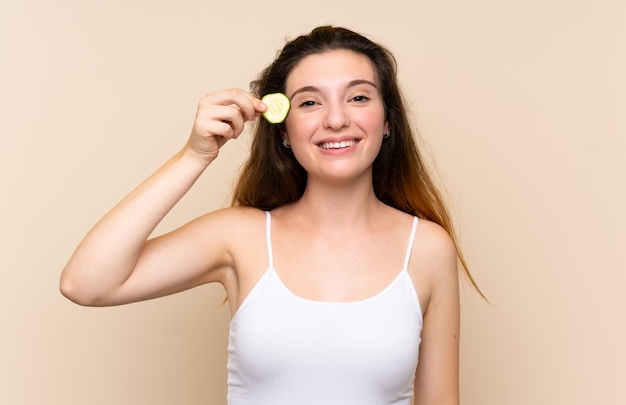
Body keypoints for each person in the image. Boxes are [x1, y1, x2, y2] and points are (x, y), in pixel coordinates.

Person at [61, 25, 481, 405]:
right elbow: (86, 283)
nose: (336, 119)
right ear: (282, 129)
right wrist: (194, 155)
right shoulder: (239, 237)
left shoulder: (427, 248)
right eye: (310, 102)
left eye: (358, 97)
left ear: (387, 120)